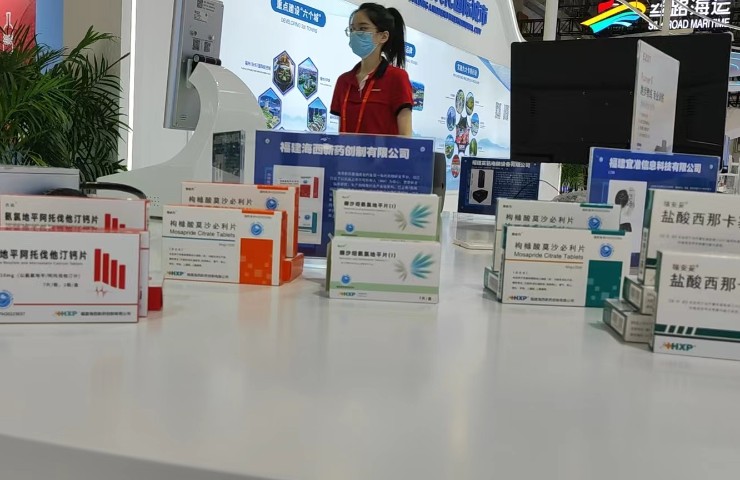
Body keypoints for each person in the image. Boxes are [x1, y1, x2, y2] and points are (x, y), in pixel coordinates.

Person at [330, 3, 413, 137]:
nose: (355, 34)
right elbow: (342, 131)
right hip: (347, 151)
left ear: (383, 36)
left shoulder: (397, 78)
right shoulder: (343, 81)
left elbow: (406, 136)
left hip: (384, 151)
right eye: (352, 29)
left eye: (362, 28)